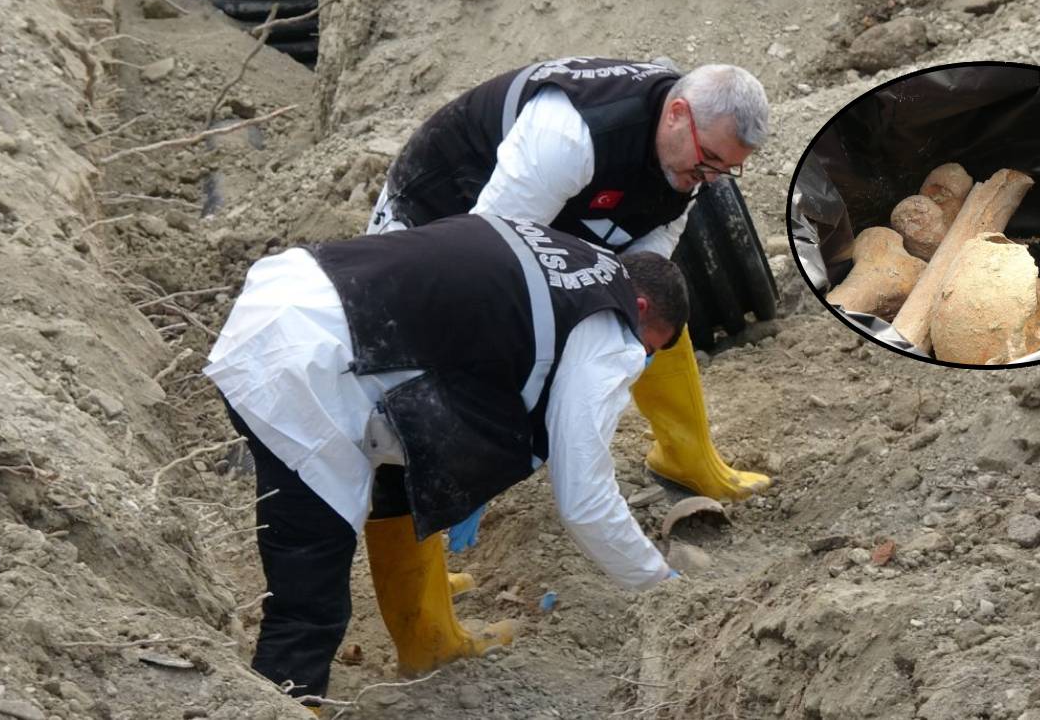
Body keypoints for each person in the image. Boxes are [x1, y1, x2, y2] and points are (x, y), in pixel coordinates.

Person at [204, 213, 688, 699]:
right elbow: (585, 498)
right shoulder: (609, 329)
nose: (640, 360)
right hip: (305, 370)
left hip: (296, 293)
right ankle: (285, 702)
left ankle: (428, 643)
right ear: (640, 306)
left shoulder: (575, 257)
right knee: (310, 596)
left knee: (395, 490)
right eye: (649, 347)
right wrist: (659, 583)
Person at [367, 56, 771, 504]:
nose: (712, 178)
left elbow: (649, 263)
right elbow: (486, 262)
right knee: (412, 388)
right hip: (438, 209)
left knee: (653, 305)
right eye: (710, 160)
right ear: (677, 114)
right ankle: (419, 571)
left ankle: (687, 460)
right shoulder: (570, 135)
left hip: (554, 207)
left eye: (727, 169)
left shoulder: (689, 157)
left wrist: (624, 312)